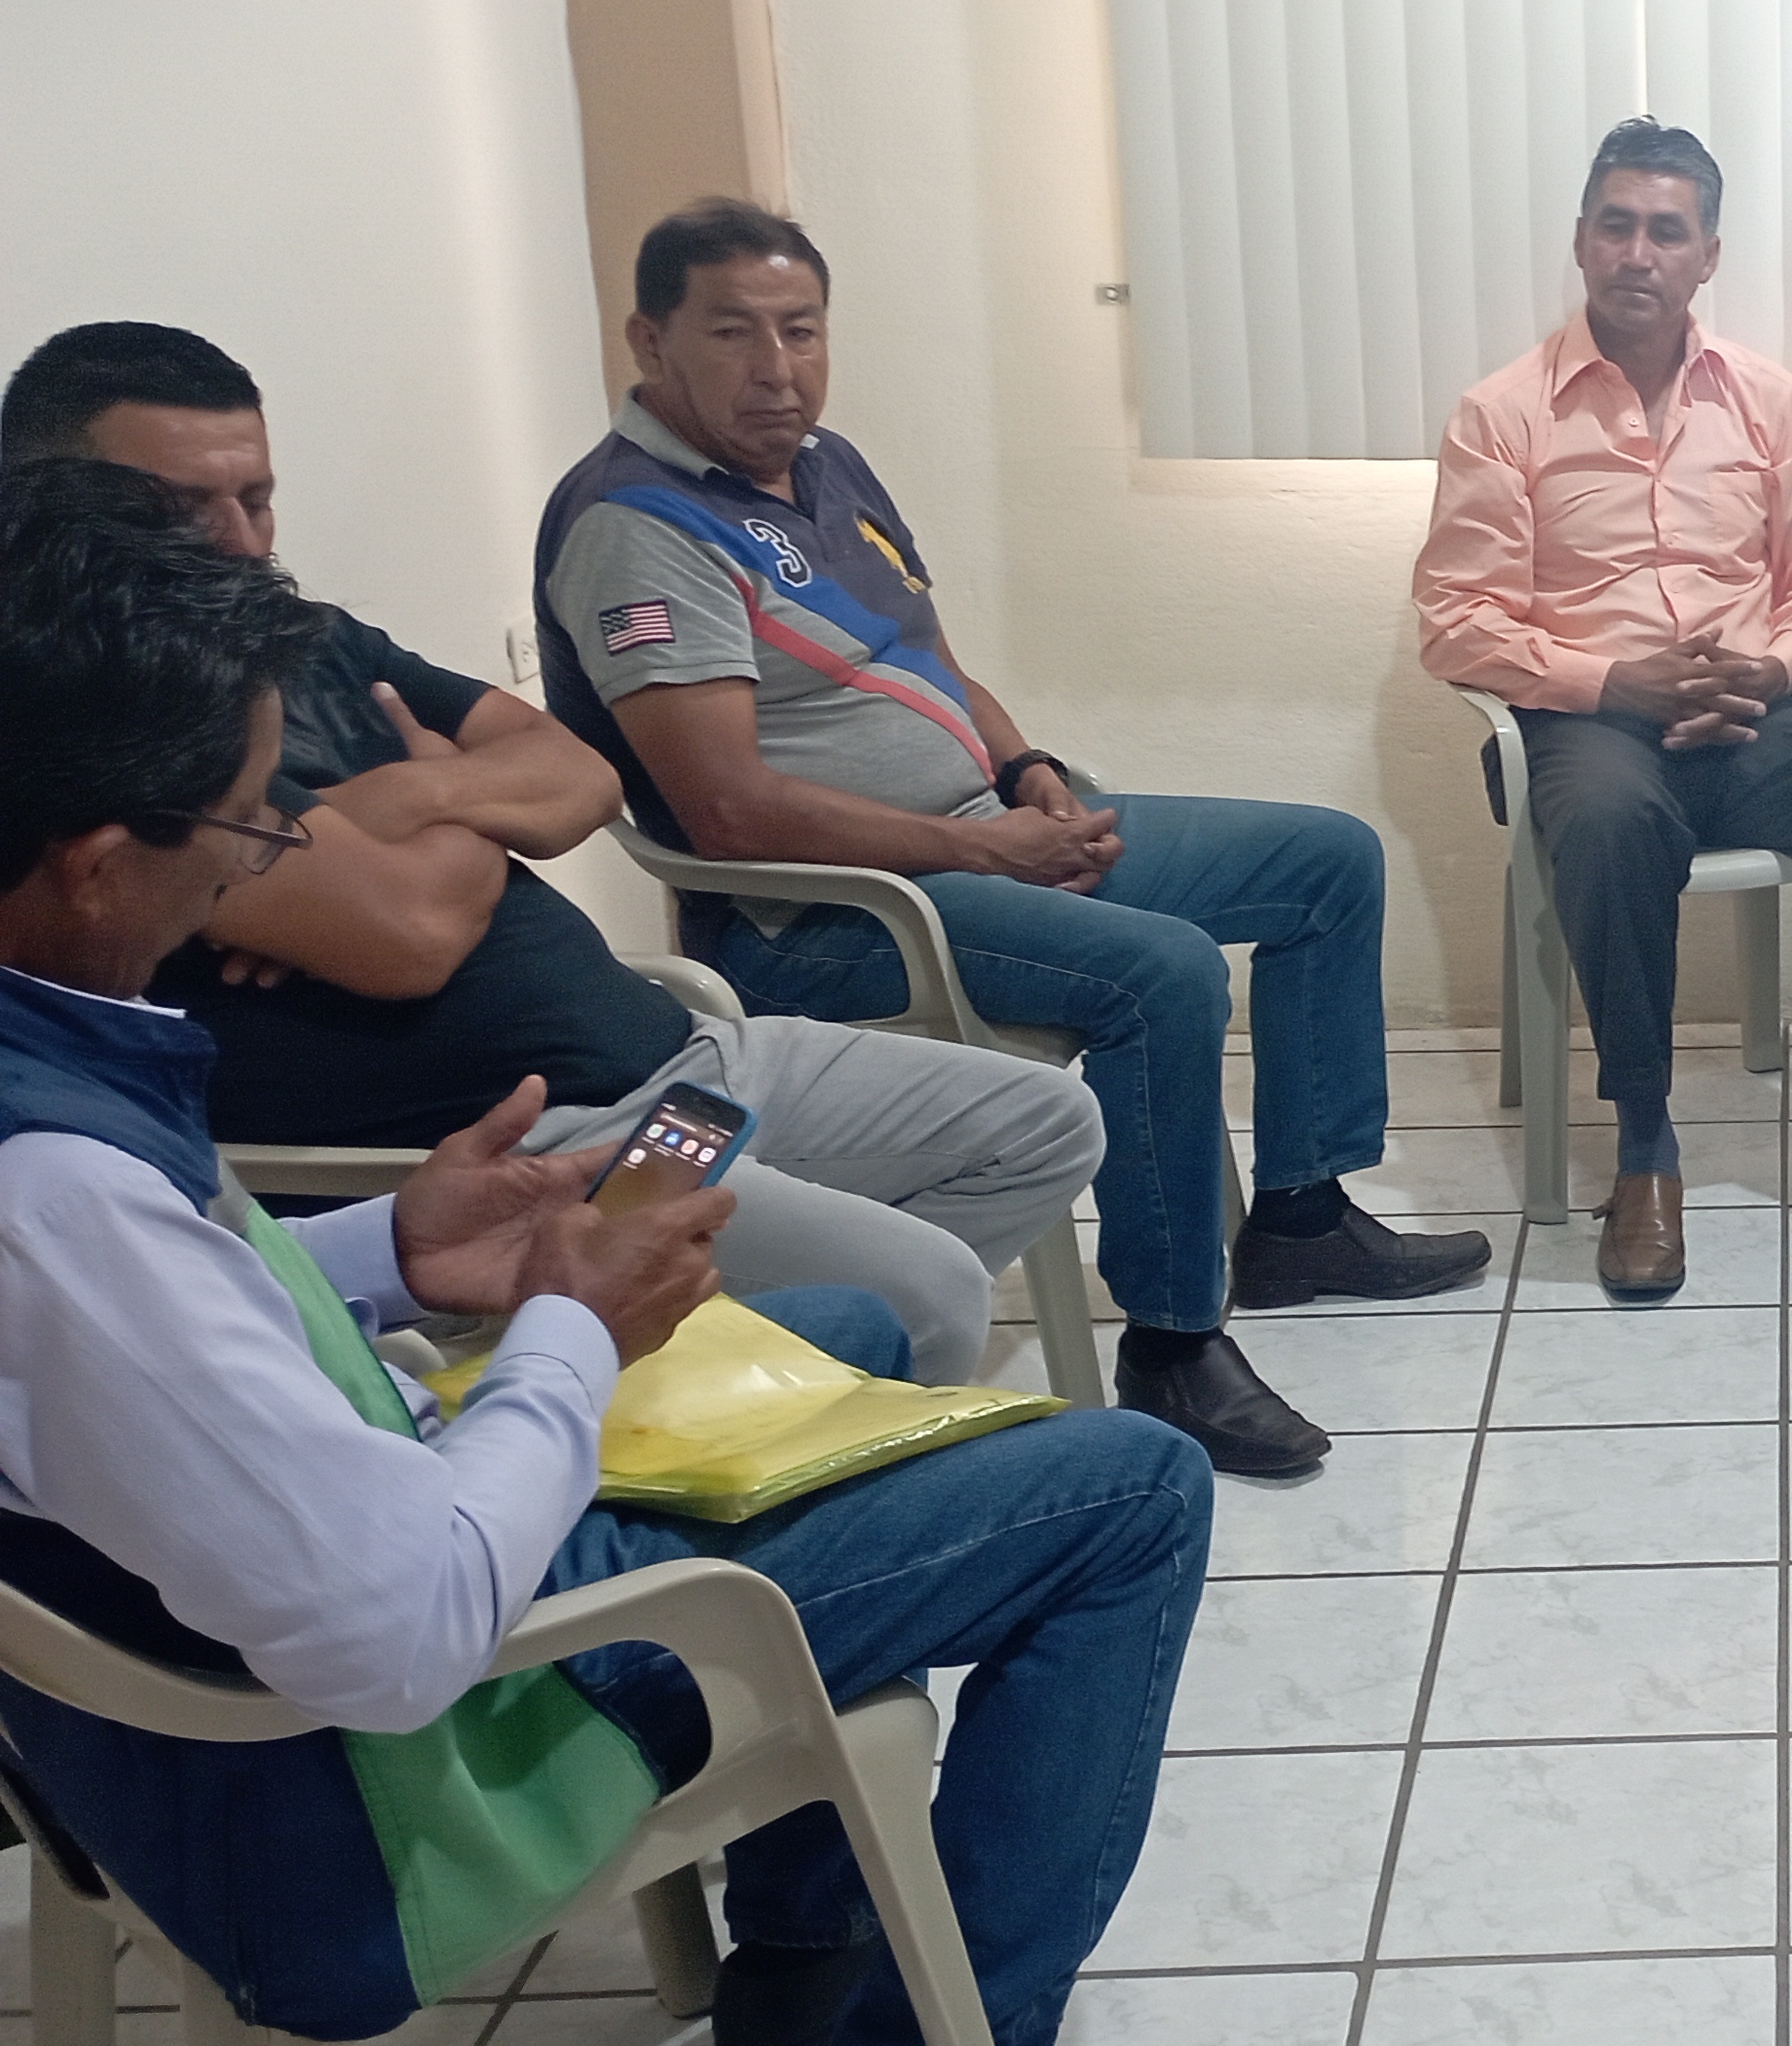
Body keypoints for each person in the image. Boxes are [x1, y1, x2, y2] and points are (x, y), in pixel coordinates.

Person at [0, 459, 1210, 2046]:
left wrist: (392, 1252)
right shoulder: (58, 1195)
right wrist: (570, 1334)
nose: (263, 855)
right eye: (248, 817)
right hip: (401, 1768)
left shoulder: (54, 1082)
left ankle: (802, 1942)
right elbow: (403, 1626)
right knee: (1133, 1490)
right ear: (95, 861)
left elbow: (157, 1346)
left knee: (837, 1323)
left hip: (354, 1555)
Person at [538, 200, 1488, 1479]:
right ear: (651, 343)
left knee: (1324, 860)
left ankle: (1303, 1220)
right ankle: (1172, 1343)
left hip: (979, 836)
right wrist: (991, 855)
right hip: (829, 915)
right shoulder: (635, 526)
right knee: (1162, 975)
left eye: (802, 331)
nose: (777, 369)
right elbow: (730, 812)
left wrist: (1028, 775)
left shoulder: (827, 467)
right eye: (734, 333)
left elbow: (927, 661)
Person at [0, 321, 1106, 1386]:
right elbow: (415, 933)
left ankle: (732, 1389)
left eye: (256, 499)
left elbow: (582, 773)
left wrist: (413, 796)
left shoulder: (313, 638)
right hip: (538, 1142)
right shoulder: (112, 735)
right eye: (180, 509)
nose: (241, 544)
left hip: (683, 1058)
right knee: (924, 1294)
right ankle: (697, 1413)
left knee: (1044, 1125)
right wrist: (480, 802)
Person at [1412, 119, 1792, 1297]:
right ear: (1581, 242)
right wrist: (1615, 682)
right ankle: (1645, 1152)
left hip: (1756, 717)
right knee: (1612, 824)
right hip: (1590, 727)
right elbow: (1456, 618)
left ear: (1707, 256)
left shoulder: (1764, 399)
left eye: (1667, 231)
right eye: (1616, 226)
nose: (1637, 253)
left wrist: (1778, 668)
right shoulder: (1503, 414)